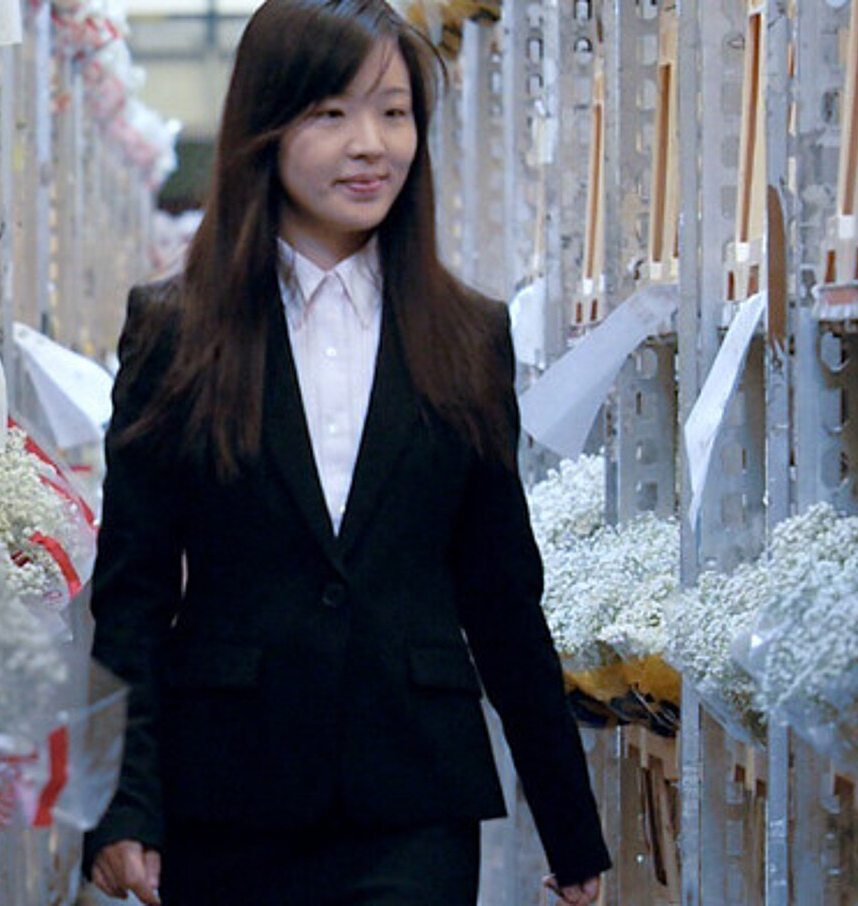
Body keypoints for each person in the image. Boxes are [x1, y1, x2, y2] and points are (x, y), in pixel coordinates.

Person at [79, 0, 612, 902]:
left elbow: (500, 592)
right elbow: (131, 591)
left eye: (394, 112)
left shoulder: (467, 335)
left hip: (412, 800)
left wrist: (570, 823)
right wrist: (121, 806)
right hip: (229, 799)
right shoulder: (179, 333)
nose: (371, 144)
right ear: (265, 127)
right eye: (332, 114)